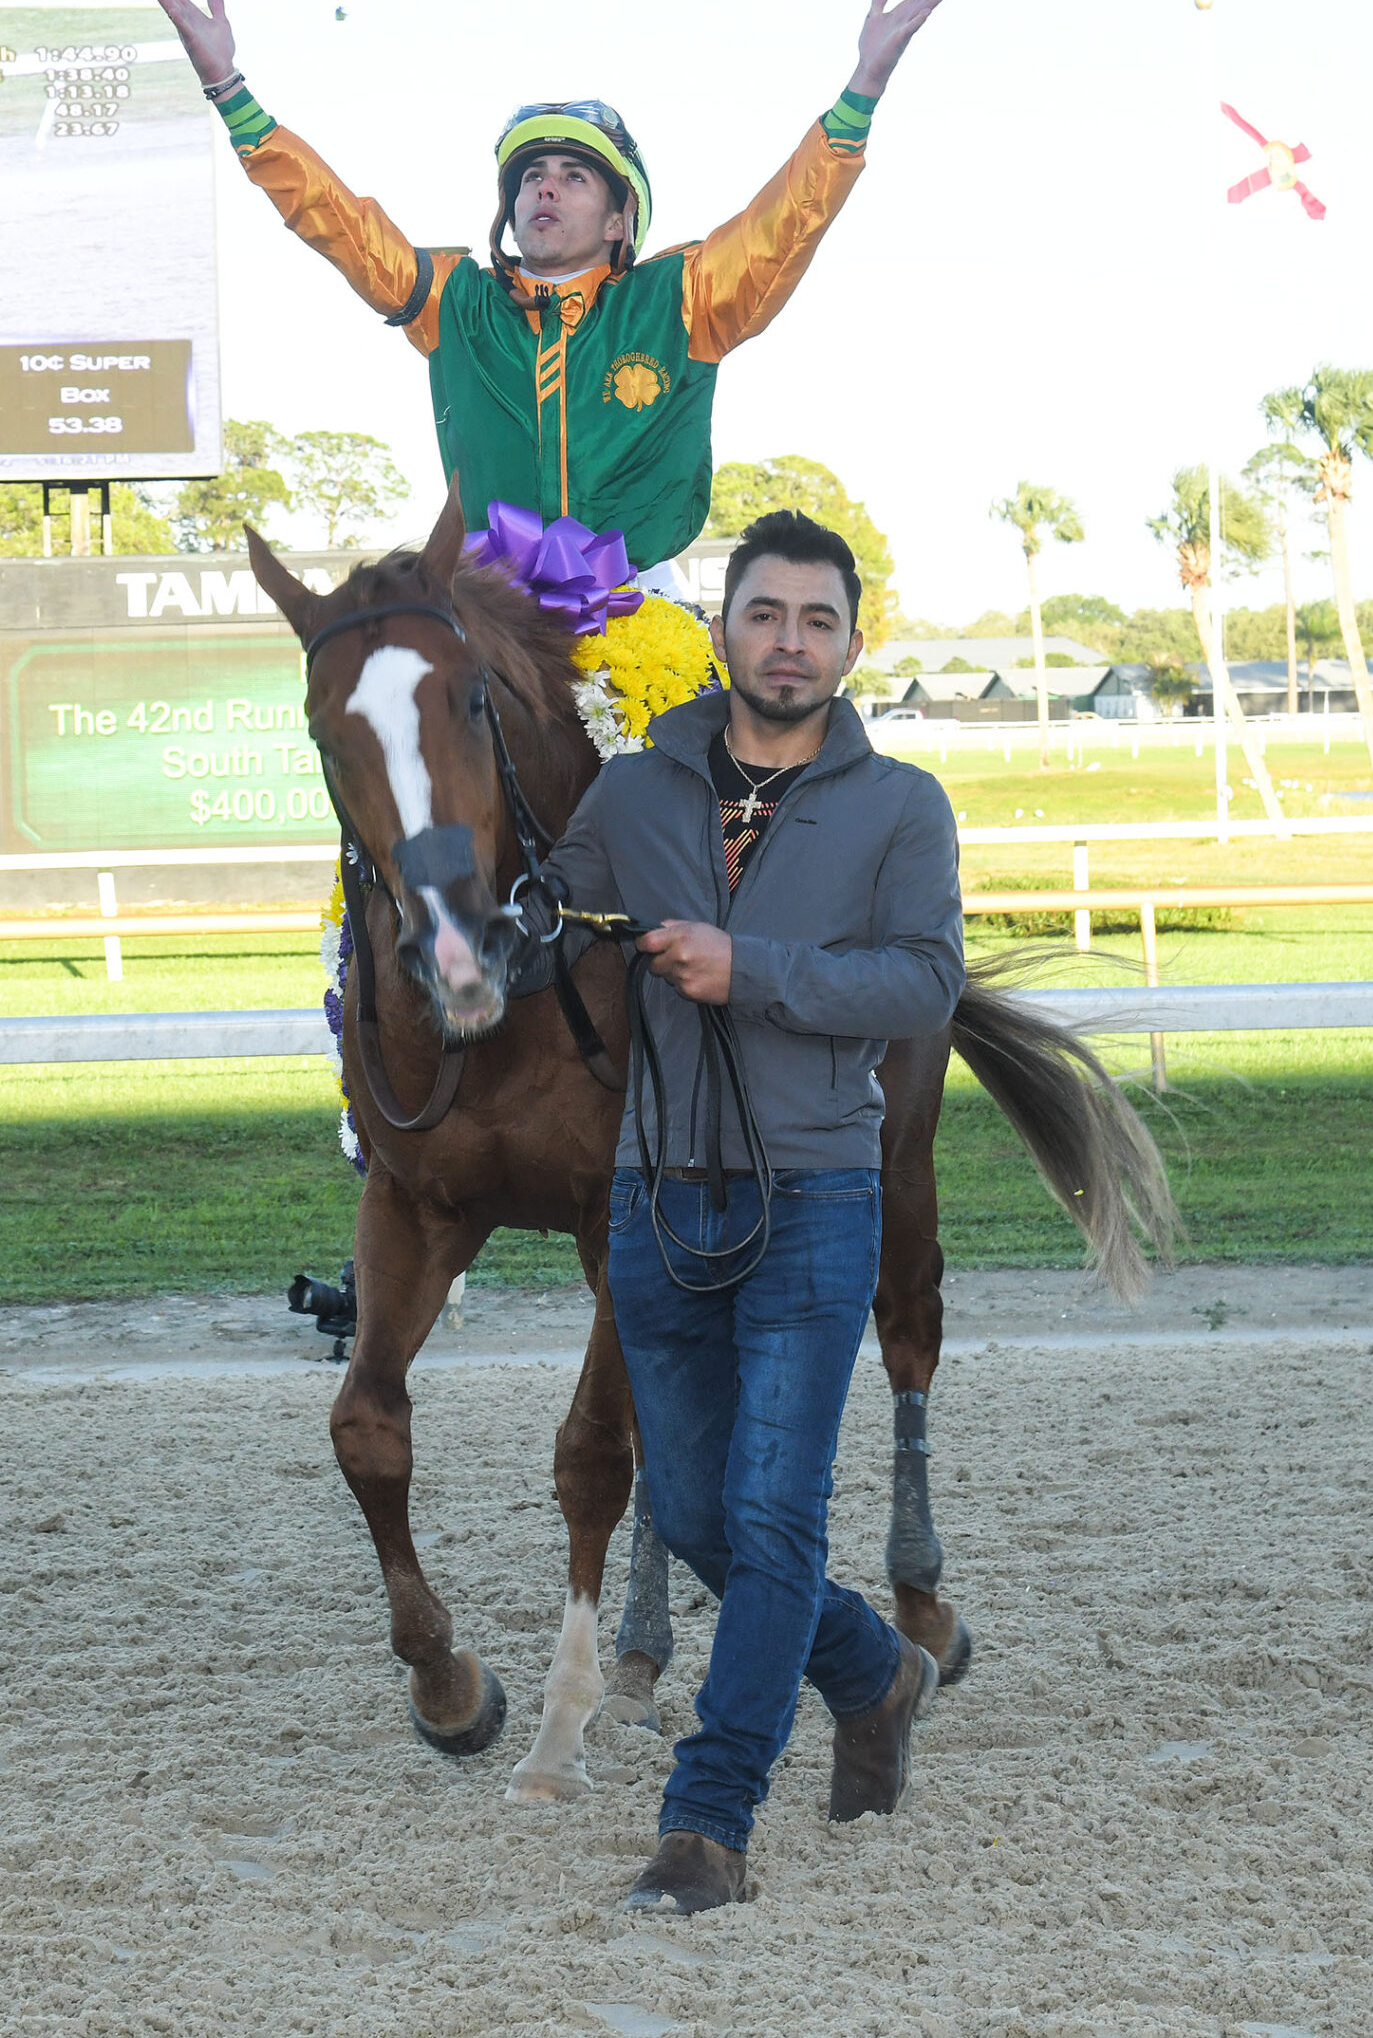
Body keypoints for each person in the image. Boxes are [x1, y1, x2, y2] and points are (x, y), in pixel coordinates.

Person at [547, 508, 966, 1913]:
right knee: (710, 1524)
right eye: (767, 613)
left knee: (772, 1520)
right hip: (653, 1200)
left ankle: (706, 1822)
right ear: (722, 628)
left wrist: (755, 966)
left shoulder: (900, 804)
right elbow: (544, 927)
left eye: (819, 620)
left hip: (818, 1196)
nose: (791, 641)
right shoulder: (631, 790)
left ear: (851, 644)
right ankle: (871, 1670)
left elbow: (922, 986)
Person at [140, 0, 955, 574]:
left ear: (616, 218)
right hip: (490, 598)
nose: (545, 187)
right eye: (531, 175)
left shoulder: (686, 297)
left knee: (695, 773)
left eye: (573, 175)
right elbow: (334, 220)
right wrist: (230, 91)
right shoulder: (453, 299)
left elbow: (786, 222)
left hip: (641, 592)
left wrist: (860, 94)